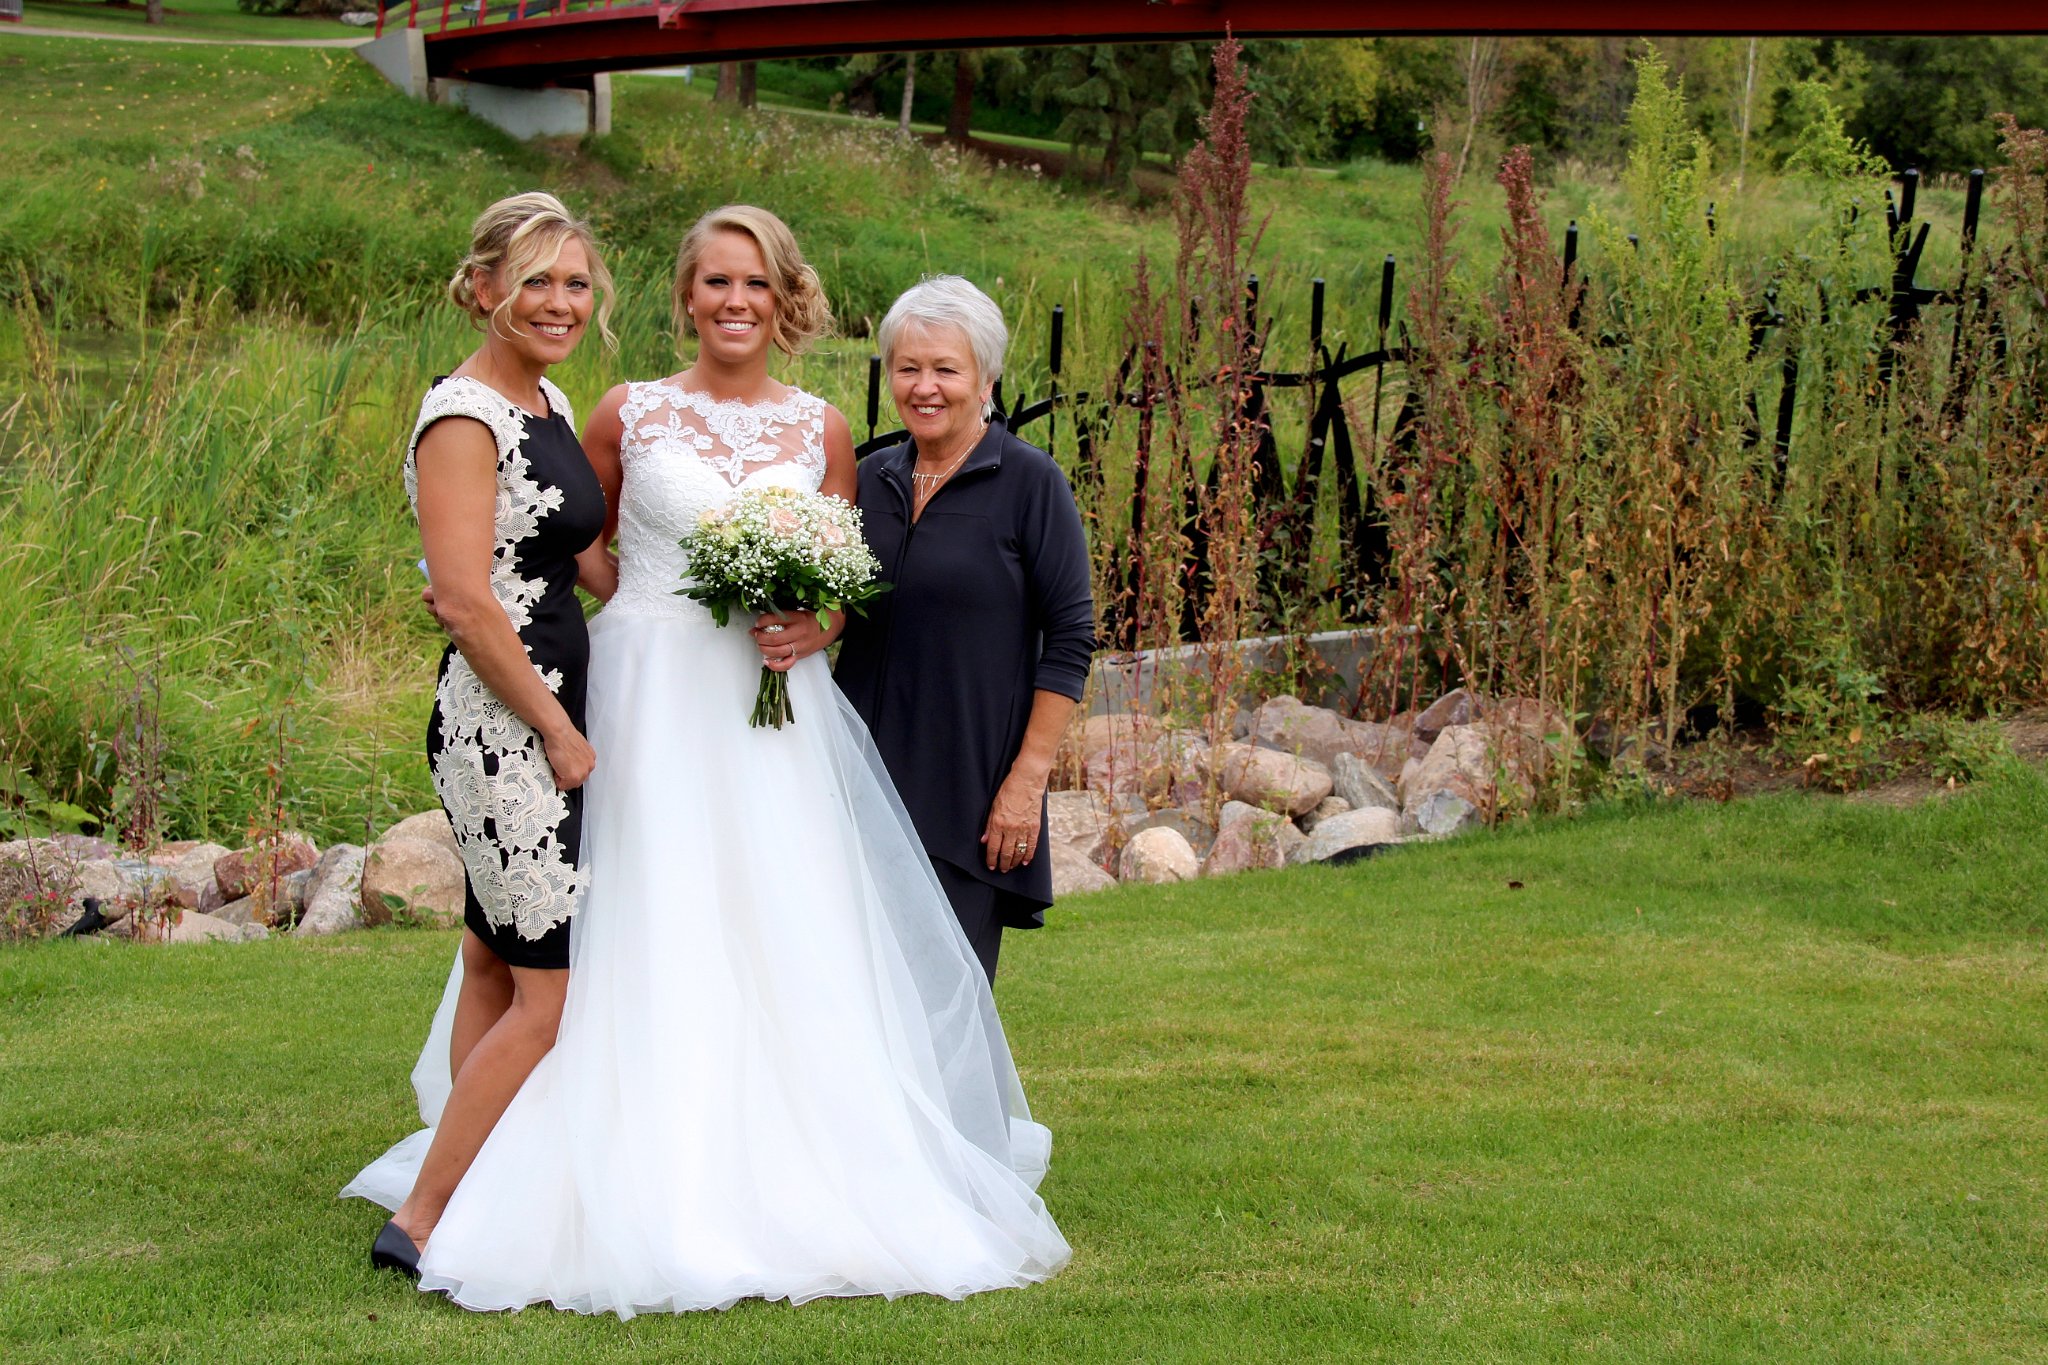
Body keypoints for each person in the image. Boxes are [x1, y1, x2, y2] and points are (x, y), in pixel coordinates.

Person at [345, 206, 1068, 1314]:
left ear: (786, 300)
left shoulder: (826, 429)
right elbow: (580, 539)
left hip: (768, 710)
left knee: (777, 919)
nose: (736, 302)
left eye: (757, 283)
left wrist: (811, 622)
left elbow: (841, 580)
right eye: (717, 281)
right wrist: (641, 597)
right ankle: (543, 1155)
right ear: (685, 295)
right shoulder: (622, 410)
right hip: (640, 691)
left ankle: (772, 1163)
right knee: (623, 916)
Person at [363, 192, 617, 1277]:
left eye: (575, 282)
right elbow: (466, 602)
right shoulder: (463, 419)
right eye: (535, 281)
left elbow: (581, 561)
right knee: (546, 996)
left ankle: (468, 1177)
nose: (560, 302)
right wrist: (556, 728)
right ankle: (422, 1219)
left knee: (491, 960)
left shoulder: (547, 400)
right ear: (481, 289)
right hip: (502, 729)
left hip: (547, 709)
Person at [758, 276, 1094, 984]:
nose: (925, 387)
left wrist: (1026, 781)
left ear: (986, 379)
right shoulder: (872, 477)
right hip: (857, 775)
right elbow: (841, 606)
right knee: (849, 994)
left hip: (968, 785)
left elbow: (1070, 639)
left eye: (946, 369)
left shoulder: (1031, 484)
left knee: (945, 1001)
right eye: (908, 368)